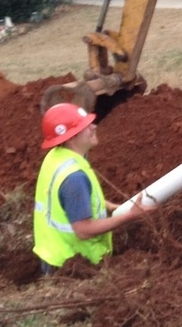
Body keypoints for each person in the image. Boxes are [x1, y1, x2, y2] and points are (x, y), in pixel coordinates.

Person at [32, 102, 152, 275]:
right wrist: (129, 216)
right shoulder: (74, 177)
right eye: (85, 126)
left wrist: (110, 206)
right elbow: (84, 230)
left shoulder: (57, 157)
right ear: (71, 137)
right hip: (72, 267)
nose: (94, 127)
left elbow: (68, 201)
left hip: (53, 254)